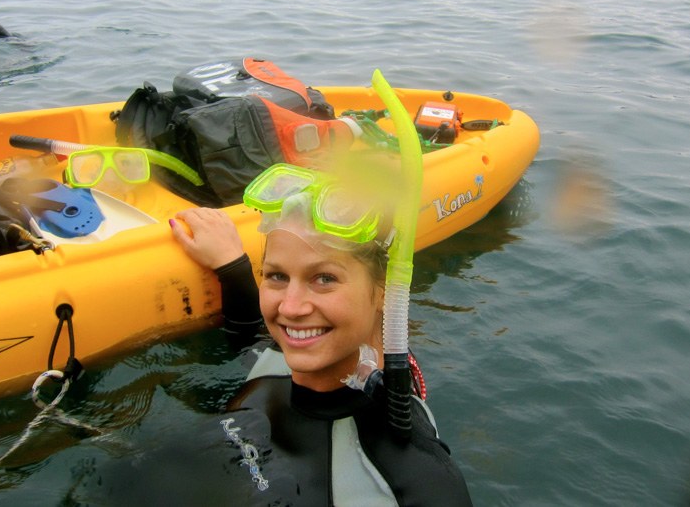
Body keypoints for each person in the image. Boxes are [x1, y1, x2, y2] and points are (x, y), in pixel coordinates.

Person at [157, 163, 474, 506]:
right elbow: (250, 339)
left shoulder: (416, 480)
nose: (290, 308)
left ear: (386, 290)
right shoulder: (281, 355)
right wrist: (233, 268)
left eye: (324, 278)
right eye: (277, 276)